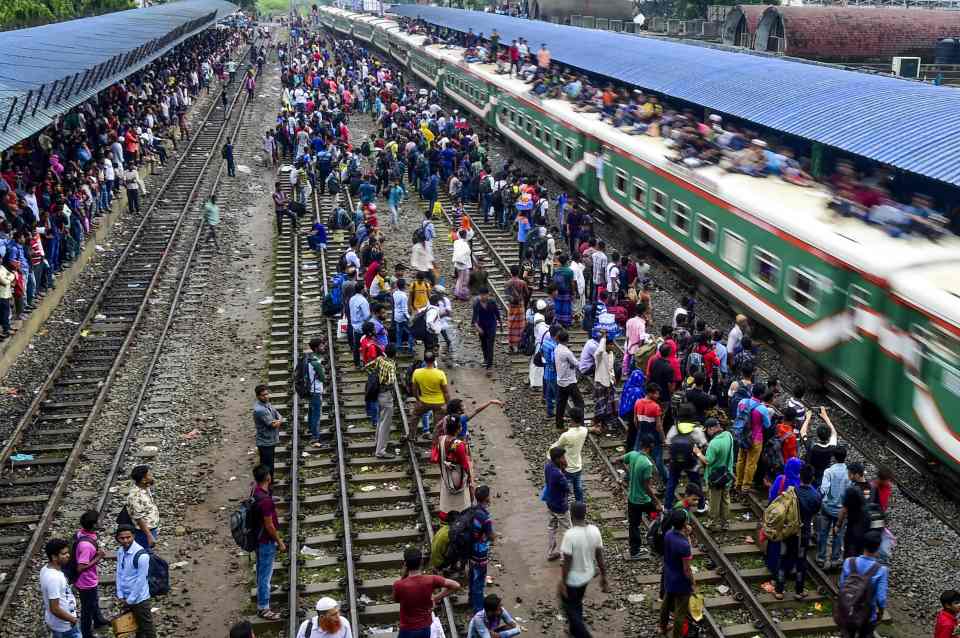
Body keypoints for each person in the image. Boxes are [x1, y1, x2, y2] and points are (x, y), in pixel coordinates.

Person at [558, 502, 608, 638]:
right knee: (577, 602)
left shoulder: (570, 535)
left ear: (571, 515)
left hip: (572, 579)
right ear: (585, 514)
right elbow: (599, 556)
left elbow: (567, 562)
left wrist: (563, 582)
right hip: (587, 576)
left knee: (570, 608)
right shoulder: (595, 531)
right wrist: (604, 577)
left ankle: (583, 634)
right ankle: (573, 631)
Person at [775, 464, 821, 600]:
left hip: (788, 532)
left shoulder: (792, 492)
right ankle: (799, 590)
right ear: (812, 478)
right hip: (803, 533)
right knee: (801, 561)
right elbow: (815, 511)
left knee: (783, 558)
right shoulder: (815, 496)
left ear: (799, 477)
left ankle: (779, 590)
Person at [393, 547, 460, 638]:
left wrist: (403, 575)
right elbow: (456, 585)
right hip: (425, 628)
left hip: (407, 629)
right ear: (421, 562)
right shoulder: (431, 580)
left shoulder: (399, 585)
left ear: (405, 564)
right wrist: (436, 597)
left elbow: (396, 599)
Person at [614, 434, 661, 559]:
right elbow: (646, 487)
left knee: (633, 525)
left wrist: (621, 477)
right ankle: (655, 541)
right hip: (644, 501)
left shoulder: (633, 454)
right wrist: (656, 501)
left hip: (632, 499)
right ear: (650, 446)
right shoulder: (647, 464)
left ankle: (634, 551)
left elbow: (617, 460)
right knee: (659, 516)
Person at [838, 531, 888, 638]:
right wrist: (881, 612)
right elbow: (881, 598)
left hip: (848, 611)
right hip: (868, 616)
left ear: (863, 545)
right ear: (878, 547)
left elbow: (842, 585)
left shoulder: (849, 562)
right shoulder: (881, 570)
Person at [251, 464, 284, 621]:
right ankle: (263, 607)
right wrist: (280, 541)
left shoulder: (255, 491)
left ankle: (263, 592)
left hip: (257, 538)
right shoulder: (266, 502)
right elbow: (269, 525)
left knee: (261, 569)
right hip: (266, 541)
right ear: (268, 478)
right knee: (265, 573)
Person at [115, 524, 156, 638]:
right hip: (126, 597)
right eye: (122, 538)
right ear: (117, 538)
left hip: (139, 599)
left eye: (128, 537)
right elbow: (119, 572)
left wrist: (131, 600)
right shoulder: (120, 551)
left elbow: (141, 580)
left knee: (147, 629)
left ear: (133, 536)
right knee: (136, 626)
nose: (125, 540)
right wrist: (120, 594)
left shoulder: (141, 555)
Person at [694, 418, 734, 530]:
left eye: (707, 429)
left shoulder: (714, 443)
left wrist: (698, 453)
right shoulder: (728, 435)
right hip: (727, 475)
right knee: (725, 499)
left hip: (715, 478)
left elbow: (707, 461)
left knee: (714, 502)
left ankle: (712, 522)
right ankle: (725, 522)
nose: (706, 432)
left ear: (712, 428)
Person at [74, 510, 108, 638]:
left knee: (93, 601)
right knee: (87, 609)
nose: (100, 521)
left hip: (88, 579)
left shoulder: (82, 534)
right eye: (98, 520)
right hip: (86, 582)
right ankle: (86, 633)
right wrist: (98, 558)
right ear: (93, 525)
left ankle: (98, 620)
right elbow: (80, 568)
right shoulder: (86, 546)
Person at [664, 406, 707, 508]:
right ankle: (701, 506)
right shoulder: (696, 429)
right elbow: (704, 444)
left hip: (675, 462)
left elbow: (668, 443)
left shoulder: (674, 428)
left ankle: (667, 506)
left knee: (672, 483)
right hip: (691, 462)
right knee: (696, 483)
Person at [660, 510, 694, 638]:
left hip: (669, 575)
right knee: (680, 613)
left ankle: (662, 627)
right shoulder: (684, 545)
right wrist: (692, 583)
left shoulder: (668, 534)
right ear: (685, 523)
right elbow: (687, 569)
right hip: (680, 581)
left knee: (666, 602)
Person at [733, 383, 771, 493]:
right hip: (756, 438)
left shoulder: (742, 402)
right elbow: (767, 425)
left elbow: (738, 416)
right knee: (751, 463)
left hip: (742, 436)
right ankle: (746, 486)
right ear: (762, 394)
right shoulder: (762, 409)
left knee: (741, 459)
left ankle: (738, 483)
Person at [437, 413, 474, 520]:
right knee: (461, 502)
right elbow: (465, 465)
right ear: (458, 429)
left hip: (446, 475)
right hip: (458, 478)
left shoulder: (441, 439)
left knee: (447, 498)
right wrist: (470, 480)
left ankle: (445, 516)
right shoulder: (460, 445)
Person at [818, 445, 850, 568]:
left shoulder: (829, 471)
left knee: (823, 533)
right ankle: (835, 559)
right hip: (841, 510)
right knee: (838, 534)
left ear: (834, 457)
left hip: (827, 507)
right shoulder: (849, 473)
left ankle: (821, 557)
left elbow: (824, 489)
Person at [40, 538, 79, 638]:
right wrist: (73, 620)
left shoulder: (45, 569)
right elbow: (55, 608)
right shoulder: (54, 578)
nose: (68, 555)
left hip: (58, 622)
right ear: (54, 557)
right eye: (64, 554)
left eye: (67, 552)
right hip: (65, 626)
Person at [549, 407, 589, 503]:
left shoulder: (566, 435)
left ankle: (564, 507)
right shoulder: (584, 430)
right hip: (578, 466)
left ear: (571, 419)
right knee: (578, 488)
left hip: (567, 468)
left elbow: (557, 447)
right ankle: (580, 505)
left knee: (565, 490)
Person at [366, 344, 398, 459]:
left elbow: (367, 366)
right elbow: (391, 380)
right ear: (395, 354)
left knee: (381, 419)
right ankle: (380, 451)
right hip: (386, 395)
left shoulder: (380, 359)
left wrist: (376, 377)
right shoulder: (391, 365)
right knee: (385, 423)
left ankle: (377, 442)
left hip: (378, 393)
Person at [468, 485, 496, 613]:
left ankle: (471, 598)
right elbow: (491, 537)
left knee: (472, 575)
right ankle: (478, 609)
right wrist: (493, 536)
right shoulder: (485, 517)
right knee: (479, 581)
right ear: (486, 498)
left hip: (471, 549)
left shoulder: (472, 510)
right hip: (480, 553)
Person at [411, 351, 449, 438]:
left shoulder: (417, 372)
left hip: (424, 402)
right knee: (438, 424)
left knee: (415, 416)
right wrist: (447, 404)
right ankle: (436, 440)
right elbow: (446, 392)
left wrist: (418, 399)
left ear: (424, 361)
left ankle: (411, 436)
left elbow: (414, 389)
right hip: (439, 403)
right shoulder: (440, 373)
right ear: (434, 360)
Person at [544, 446, 571, 561]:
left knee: (552, 527)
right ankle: (564, 558)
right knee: (568, 530)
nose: (564, 458)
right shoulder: (558, 474)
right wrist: (564, 469)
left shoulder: (548, 466)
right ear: (557, 459)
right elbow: (567, 488)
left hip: (550, 502)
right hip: (560, 506)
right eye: (563, 457)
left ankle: (551, 552)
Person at [837, 462, 869, 559]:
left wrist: (838, 525)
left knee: (849, 556)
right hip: (865, 529)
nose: (848, 475)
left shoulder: (852, 490)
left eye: (850, 473)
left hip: (853, 528)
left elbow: (844, 510)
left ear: (857, 475)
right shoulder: (871, 487)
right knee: (860, 555)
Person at [126, 464, 159, 552]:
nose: (152, 477)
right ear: (143, 480)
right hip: (143, 532)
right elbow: (139, 519)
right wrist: (149, 535)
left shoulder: (144, 487)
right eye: (149, 475)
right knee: (144, 553)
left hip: (150, 528)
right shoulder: (135, 496)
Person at [554, 330, 584, 430]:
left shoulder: (557, 349)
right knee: (579, 403)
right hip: (570, 382)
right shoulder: (567, 352)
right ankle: (580, 424)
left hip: (560, 381)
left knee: (560, 404)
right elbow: (576, 363)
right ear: (567, 339)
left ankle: (559, 425)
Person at [803, 406, 838, 488]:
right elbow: (834, 433)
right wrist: (826, 417)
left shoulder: (811, 446)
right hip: (822, 472)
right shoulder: (832, 447)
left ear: (817, 435)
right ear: (829, 436)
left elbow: (803, 432)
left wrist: (807, 418)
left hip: (810, 472)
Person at [253, 384, 283, 476]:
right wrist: (280, 420)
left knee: (268, 464)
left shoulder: (266, 403)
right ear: (258, 396)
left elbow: (277, 413)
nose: (266, 396)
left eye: (267, 394)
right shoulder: (260, 410)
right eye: (263, 395)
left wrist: (278, 419)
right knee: (267, 466)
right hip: (265, 442)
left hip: (269, 440)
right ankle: (268, 485)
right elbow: (274, 424)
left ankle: (268, 483)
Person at [472, 287, 502, 370]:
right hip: (481, 326)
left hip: (491, 325)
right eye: (481, 295)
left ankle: (489, 364)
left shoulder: (492, 302)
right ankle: (486, 359)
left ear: (488, 295)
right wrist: (478, 328)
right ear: (479, 295)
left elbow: (497, 313)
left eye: (484, 295)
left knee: (490, 345)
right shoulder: (476, 304)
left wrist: (500, 324)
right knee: (483, 344)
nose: (483, 297)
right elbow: (474, 318)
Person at [592, 332, 617, 433]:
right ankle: (597, 424)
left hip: (609, 382)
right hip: (600, 382)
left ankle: (604, 424)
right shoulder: (600, 356)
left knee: (607, 405)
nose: (612, 346)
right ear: (605, 345)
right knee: (599, 404)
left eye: (612, 344)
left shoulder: (611, 355)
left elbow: (611, 368)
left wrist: (613, 376)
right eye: (610, 344)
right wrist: (603, 338)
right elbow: (598, 352)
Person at [304, 337, 326, 448]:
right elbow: (323, 378)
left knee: (311, 412)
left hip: (310, 390)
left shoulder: (310, 358)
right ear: (316, 348)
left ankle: (310, 430)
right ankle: (315, 438)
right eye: (321, 346)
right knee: (316, 415)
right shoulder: (316, 363)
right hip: (315, 391)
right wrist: (322, 372)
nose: (323, 347)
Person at [505, 265, 530, 353]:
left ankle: (512, 344)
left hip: (512, 307)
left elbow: (507, 296)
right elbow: (527, 294)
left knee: (511, 326)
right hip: (520, 307)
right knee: (520, 326)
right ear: (518, 272)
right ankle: (519, 344)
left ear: (511, 272)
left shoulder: (507, 283)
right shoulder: (522, 283)